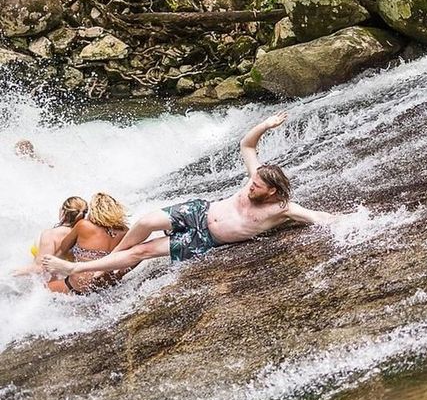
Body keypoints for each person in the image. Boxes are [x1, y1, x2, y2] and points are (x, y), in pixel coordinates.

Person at [42, 112, 334, 278]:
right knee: (145, 222)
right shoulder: (256, 178)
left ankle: (80, 267)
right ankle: (111, 261)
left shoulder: (282, 209)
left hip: (203, 239)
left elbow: (317, 217)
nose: (250, 185)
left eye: (256, 186)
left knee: (143, 252)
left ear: (271, 191)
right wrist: (266, 126)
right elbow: (247, 146)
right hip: (198, 211)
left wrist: (350, 222)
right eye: (252, 181)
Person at [47, 193, 130, 294]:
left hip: (78, 285)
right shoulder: (125, 231)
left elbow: (64, 247)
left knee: (42, 288)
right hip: (108, 285)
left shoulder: (84, 225)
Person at [12, 196, 87, 278]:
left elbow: (40, 267)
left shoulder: (50, 234)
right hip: (69, 281)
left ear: (63, 212)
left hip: (47, 285)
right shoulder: (84, 235)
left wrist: (11, 274)